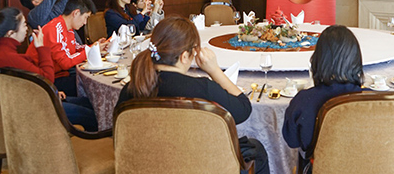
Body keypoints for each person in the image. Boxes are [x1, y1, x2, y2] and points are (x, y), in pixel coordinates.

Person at [115, 16, 269, 174]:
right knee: (256, 149)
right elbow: (244, 109)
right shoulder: (203, 89)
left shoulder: (132, 89)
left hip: (147, 166)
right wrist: (215, 70)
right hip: (201, 165)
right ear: (184, 56)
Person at [0, 7, 98, 132]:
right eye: (24, 25)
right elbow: (48, 78)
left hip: (32, 99)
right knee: (92, 115)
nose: (27, 29)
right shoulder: (9, 58)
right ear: (10, 33)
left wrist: (53, 91)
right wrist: (41, 48)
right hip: (34, 108)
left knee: (89, 103)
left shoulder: (3, 52)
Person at [282, 25, 364, 169]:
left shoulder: (303, 102)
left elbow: (292, 141)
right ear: (356, 60)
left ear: (318, 60)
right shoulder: (375, 101)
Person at [26, 0, 107, 97]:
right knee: (92, 86)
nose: (85, 22)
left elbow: (75, 49)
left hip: (60, 74)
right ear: (76, 13)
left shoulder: (67, 28)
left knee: (94, 79)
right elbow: (65, 62)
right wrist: (90, 51)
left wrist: (94, 46)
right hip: (45, 81)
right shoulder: (55, 29)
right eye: (85, 17)